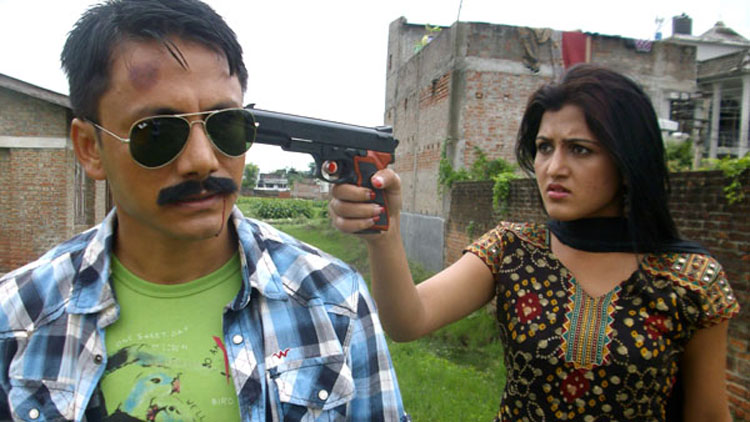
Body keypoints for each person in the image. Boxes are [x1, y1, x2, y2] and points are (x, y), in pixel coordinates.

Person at [0, 1, 409, 421]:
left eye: (226, 125)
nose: (202, 160)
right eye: (157, 133)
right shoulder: (15, 320)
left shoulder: (335, 300)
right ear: (90, 148)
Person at [329, 64, 740, 422]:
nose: (554, 167)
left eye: (580, 150)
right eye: (545, 148)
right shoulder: (511, 250)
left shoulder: (691, 280)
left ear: (628, 160)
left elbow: (707, 415)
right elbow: (407, 321)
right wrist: (384, 235)